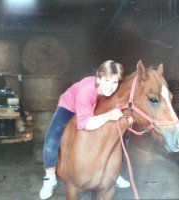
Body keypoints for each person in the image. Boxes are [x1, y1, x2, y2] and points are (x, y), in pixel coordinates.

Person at [39, 60, 130, 200]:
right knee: (52, 138)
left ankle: (114, 174)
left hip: (94, 104)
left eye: (115, 82)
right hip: (69, 106)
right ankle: (49, 177)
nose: (111, 87)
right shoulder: (86, 89)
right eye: (107, 80)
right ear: (98, 78)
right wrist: (109, 115)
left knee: (121, 133)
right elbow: (86, 124)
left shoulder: (112, 90)